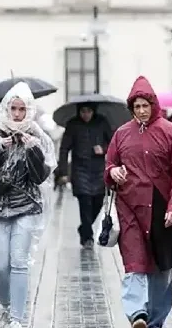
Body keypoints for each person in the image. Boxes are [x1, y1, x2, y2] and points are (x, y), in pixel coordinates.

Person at [104, 76, 172, 328]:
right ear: (132, 108)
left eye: (146, 106)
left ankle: (155, 320)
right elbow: (110, 163)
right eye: (137, 107)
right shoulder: (122, 134)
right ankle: (137, 314)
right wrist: (113, 171)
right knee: (134, 262)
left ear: (153, 105)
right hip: (130, 207)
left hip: (162, 207)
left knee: (161, 268)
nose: (142, 111)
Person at [0, 82, 56, 328]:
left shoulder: (36, 134)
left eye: (22, 109)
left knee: (19, 261)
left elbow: (41, 176)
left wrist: (33, 150)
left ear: (29, 111)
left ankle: (17, 317)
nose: (17, 114)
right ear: (6, 108)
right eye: (13, 109)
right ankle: (7, 305)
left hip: (26, 206)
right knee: (0, 266)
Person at [56, 103, 113, 248]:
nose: (85, 114)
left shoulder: (102, 123)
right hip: (80, 169)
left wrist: (104, 149)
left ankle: (84, 228)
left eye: (88, 111)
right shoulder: (73, 125)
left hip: (99, 169)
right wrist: (62, 171)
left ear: (93, 111)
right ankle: (87, 237)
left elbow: (113, 143)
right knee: (85, 201)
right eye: (83, 111)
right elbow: (64, 149)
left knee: (98, 202)